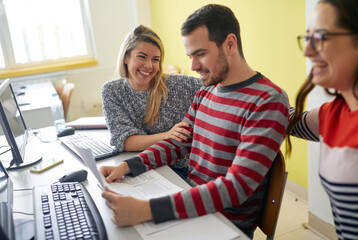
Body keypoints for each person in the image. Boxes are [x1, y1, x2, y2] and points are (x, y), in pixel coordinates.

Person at [101, 4, 289, 238]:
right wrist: (128, 167)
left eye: (200, 54)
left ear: (230, 44)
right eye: (190, 56)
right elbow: (176, 143)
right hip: (192, 205)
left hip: (224, 225)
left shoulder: (267, 100)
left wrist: (147, 210)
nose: (193, 66)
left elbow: (236, 188)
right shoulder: (206, 92)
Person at [286, 0, 358, 239]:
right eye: (307, 39)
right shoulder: (335, 112)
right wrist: (255, 93)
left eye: (320, 38)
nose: (307, 51)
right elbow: (290, 121)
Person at [101, 25, 202, 179]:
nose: (149, 65)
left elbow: (217, 85)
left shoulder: (180, 85)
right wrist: (167, 135)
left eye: (155, 59)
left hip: (180, 169)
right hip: (141, 165)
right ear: (126, 57)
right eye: (142, 56)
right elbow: (125, 141)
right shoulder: (112, 90)